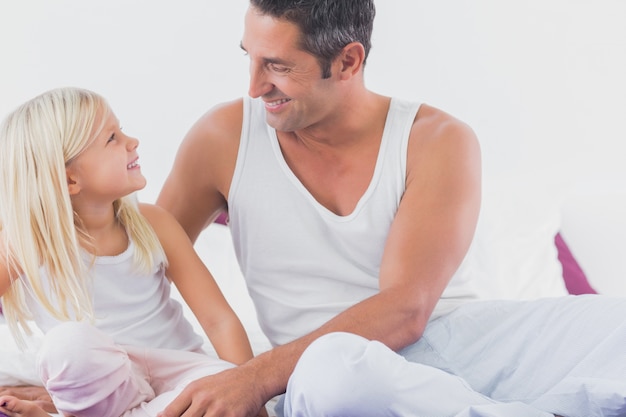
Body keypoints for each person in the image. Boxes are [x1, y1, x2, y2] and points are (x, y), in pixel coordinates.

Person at [157, 1, 626, 417]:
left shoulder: (436, 139)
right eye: (250, 58)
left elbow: (407, 308)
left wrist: (254, 378)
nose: (256, 87)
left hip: (459, 345)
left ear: (348, 61)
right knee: (334, 372)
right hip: (327, 371)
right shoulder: (223, 138)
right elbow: (140, 263)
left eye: (277, 66)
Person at [0, 87, 267, 417]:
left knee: (213, 388)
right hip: (108, 386)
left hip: (179, 371)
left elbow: (218, 319)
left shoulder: (153, 222)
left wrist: (246, 390)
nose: (132, 141)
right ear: (70, 179)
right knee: (65, 346)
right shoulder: (22, 243)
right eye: (112, 137)